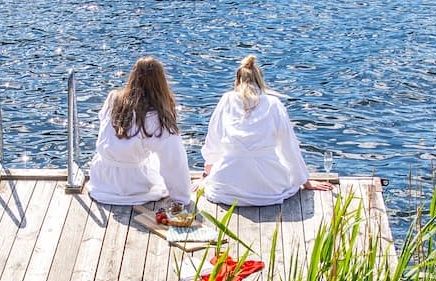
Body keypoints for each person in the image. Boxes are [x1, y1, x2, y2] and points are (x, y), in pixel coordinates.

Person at [199, 55, 329, 205]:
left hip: (228, 186)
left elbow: (213, 142)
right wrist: (305, 182)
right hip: (268, 187)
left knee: (217, 178)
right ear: (260, 81)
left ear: (237, 81)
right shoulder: (274, 104)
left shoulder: (227, 100)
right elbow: (289, 147)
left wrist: (206, 174)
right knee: (285, 176)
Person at [87, 56, 194, 207]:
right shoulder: (156, 118)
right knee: (160, 158)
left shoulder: (113, 99)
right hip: (133, 185)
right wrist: (182, 197)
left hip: (102, 180)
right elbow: (175, 161)